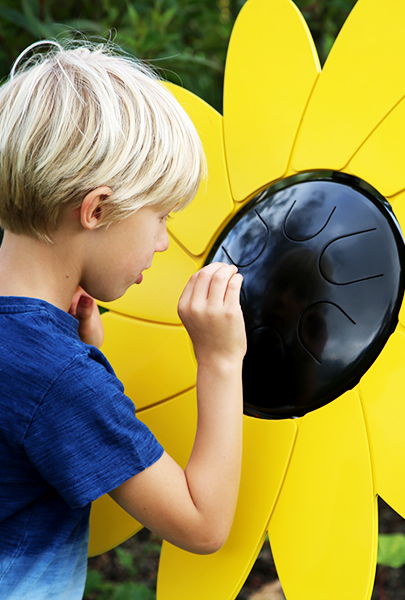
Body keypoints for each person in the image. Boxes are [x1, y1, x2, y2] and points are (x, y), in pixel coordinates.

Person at [0, 40, 246, 599]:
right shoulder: (58, 379)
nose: (163, 243)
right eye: (160, 217)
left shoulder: (41, 358)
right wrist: (220, 359)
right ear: (98, 210)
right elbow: (202, 524)